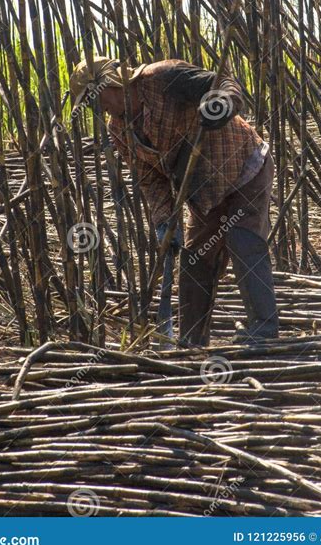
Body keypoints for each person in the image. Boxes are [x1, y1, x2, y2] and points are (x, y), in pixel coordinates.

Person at [69, 57, 279, 346]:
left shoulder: (163, 77)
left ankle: (264, 329)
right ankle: (192, 340)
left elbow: (225, 84)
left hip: (245, 168)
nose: (98, 108)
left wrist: (221, 105)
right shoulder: (119, 130)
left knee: (243, 240)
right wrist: (164, 224)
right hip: (205, 193)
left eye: (95, 99)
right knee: (194, 260)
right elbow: (151, 180)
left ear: (110, 84)